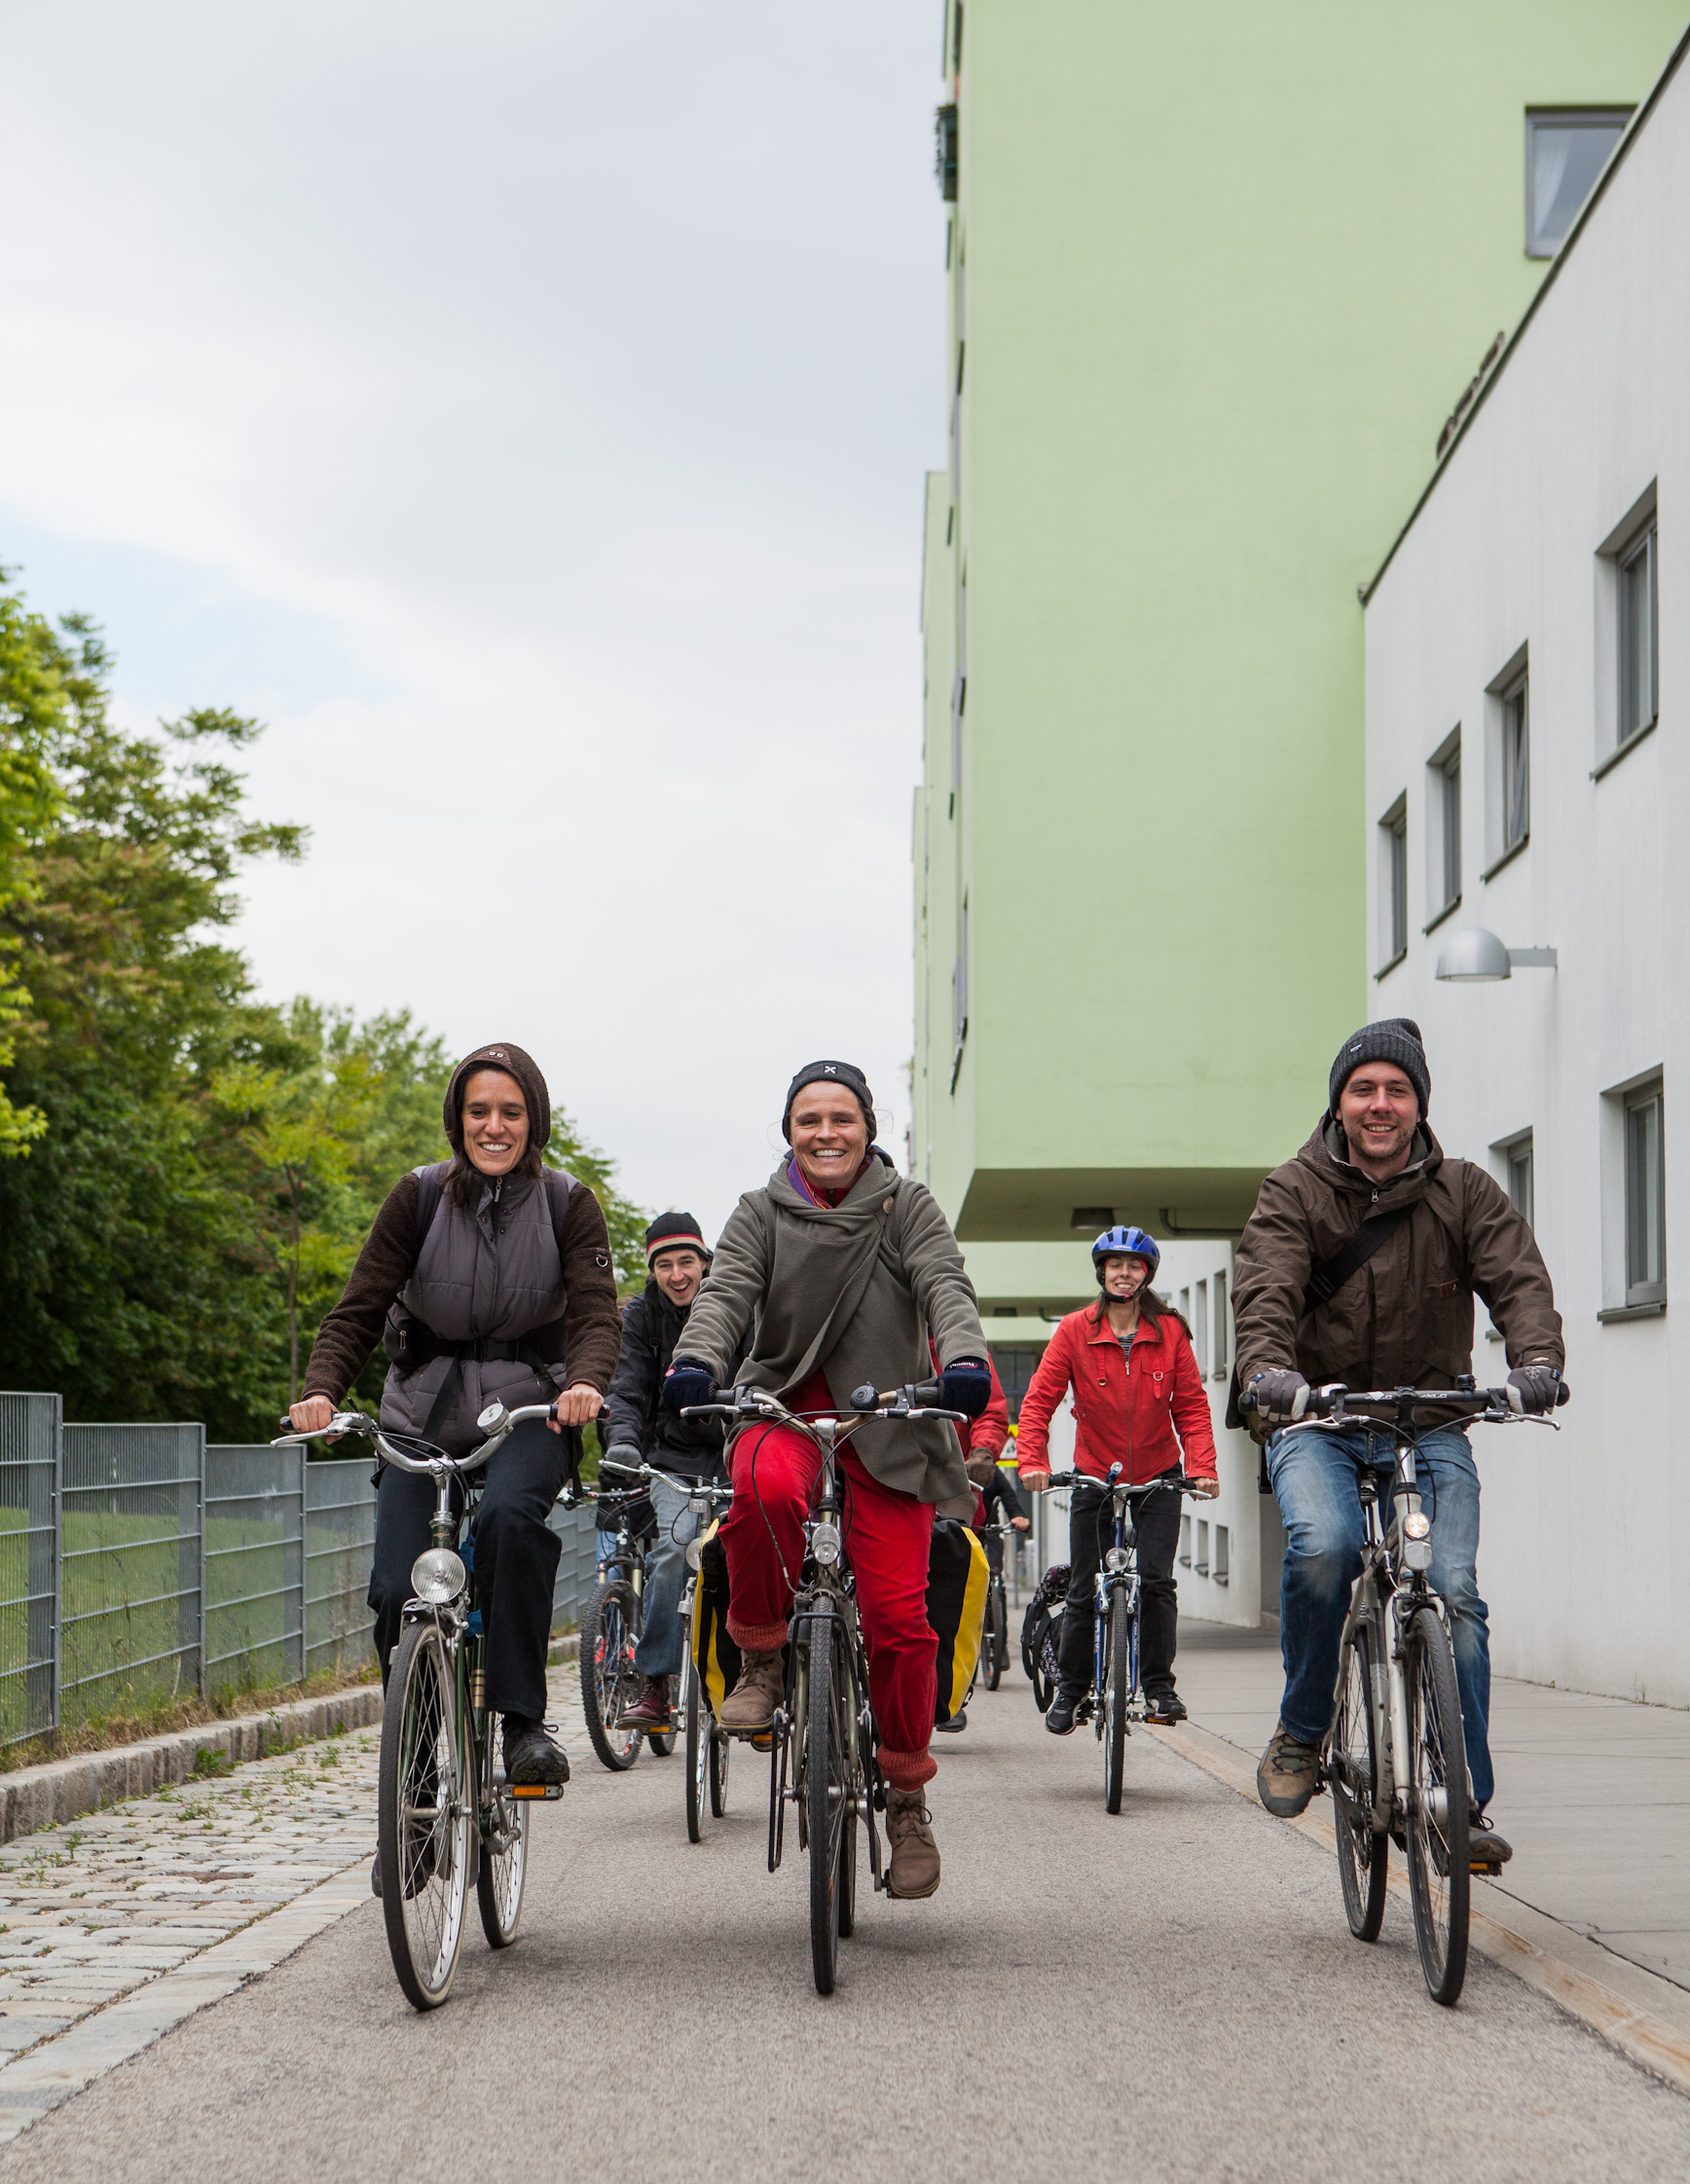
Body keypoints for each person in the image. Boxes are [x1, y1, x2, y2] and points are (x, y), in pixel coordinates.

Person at [1232, 1017, 1564, 1872]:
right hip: (1320, 1419)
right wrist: (1269, 1370)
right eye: (1363, 1089)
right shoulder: (1294, 1190)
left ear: (1419, 1104)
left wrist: (1536, 1362)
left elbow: (1517, 1277)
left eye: (1398, 1090)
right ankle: (1304, 1730)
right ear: (1339, 1102)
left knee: (1452, 1591)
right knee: (1326, 1547)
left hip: (1430, 1417)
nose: (1380, 1105)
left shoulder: (1465, 1189)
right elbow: (1266, 1284)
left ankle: (1463, 1802)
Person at [659, 1059, 992, 1900]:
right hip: (785, 1410)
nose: (825, 1133)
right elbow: (726, 1292)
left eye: (841, 1118)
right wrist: (699, 1359)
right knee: (761, 1491)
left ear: (867, 1127)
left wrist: (962, 1359)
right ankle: (763, 1659)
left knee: (899, 1621)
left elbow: (945, 1284)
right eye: (809, 1119)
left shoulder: (906, 1205)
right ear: (789, 1131)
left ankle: (907, 1794)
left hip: (889, 1422)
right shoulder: (759, 1212)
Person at [291, 1041, 621, 1863]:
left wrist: (583, 1383)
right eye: (479, 1110)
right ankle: (418, 1781)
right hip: (421, 1410)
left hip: (531, 1407)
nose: (494, 1125)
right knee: (393, 1588)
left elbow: (596, 1314)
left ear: (532, 1119)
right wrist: (324, 1390)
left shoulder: (568, 1203)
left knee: (513, 1522)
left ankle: (520, 1725)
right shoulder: (417, 1197)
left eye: (511, 1111)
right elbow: (358, 1308)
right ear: (458, 1118)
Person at [1016, 1226, 1220, 1734]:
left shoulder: (1170, 1332)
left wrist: (1203, 1468)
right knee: (1084, 1589)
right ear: (1102, 1272)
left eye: (1134, 1265)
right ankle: (1070, 1690)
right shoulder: (1073, 1331)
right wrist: (1032, 1463)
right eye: (1114, 1265)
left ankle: (1158, 1687)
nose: (1123, 1273)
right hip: (1093, 1475)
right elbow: (1039, 1402)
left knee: (1156, 1583)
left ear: (1146, 1275)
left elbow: (1192, 1406)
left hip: (1158, 1476)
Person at [602, 1212, 748, 1731]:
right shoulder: (641, 1316)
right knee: (671, 1550)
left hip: (740, 1452)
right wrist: (621, 1443)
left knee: (749, 1553)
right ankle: (657, 1684)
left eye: (686, 1260)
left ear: (705, 1262)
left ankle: (755, 1674)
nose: (677, 1274)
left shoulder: (738, 1304)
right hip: (676, 1461)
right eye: (664, 1264)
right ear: (653, 1270)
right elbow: (627, 1387)